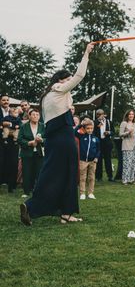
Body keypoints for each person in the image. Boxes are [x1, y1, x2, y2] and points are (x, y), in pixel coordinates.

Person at [20, 43, 94, 226]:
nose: (70, 83)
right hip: (64, 137)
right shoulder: (61, 90)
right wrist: (86, 53)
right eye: (67, 79)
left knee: (52, 173)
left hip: (52, 139)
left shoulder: (46, 97)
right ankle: (59, 212)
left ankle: (54, 211)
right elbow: (80, 75)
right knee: (68, 174)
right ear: (61, 80)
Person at [17, 109, 45, 198]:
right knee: (27, 172)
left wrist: (42, 140)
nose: (35, 116)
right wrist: (29, 143)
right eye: (33, 114)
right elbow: (19, 139)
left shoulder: (42, 126)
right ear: (29, 116)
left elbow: (48, 137)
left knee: (39, 172)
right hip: (27, 153)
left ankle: (38, 190)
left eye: (37, 114)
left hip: (39, 153)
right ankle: (26, 191)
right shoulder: (24, 126)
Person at [76, 118, 100, 200]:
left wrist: (96, 157)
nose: (90, 130)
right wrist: (81, 124)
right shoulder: (81, 136)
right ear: (85, 129)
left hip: (93, 161)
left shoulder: (96, 138)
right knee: (82, 177)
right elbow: (75, 131)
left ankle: (90, 193)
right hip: (83, 161)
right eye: (88, 128)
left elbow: (98, 149)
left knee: (91, 177)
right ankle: (82, 193)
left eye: (91, 128)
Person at [2, 106, 21, 193]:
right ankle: (5, 181)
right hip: (4, 141)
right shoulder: (6, 117)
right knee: (5, 162)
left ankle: (12, 184)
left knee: (13, 162)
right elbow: (3, 123)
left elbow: (19, 125)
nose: (15, 114)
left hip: (14, 143)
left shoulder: (18, 118)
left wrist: (11, 125)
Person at [119, 109, 135, 185]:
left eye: (132, 114)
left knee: (133, 163)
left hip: (134, 146)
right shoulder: (124, 123)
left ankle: (131, 179)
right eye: (130, 114)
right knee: (127, 163)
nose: (131, 116)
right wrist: (128, 132)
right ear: (127, 115)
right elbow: (120, 134)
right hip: (127, 145)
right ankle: (125, 180)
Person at [95, 109, 114, 182]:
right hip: (99, 142)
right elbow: (92, 132)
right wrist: (97, 127)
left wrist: (108, 132)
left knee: (108, 160)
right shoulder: (95, 122)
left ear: (104, 114)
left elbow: (113, 132)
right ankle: (99, 177)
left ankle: (110, 176)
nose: (100, 116)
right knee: (98, 160)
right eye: (98, 114)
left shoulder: (109, 122)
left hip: (107, 143)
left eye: (101, 114)